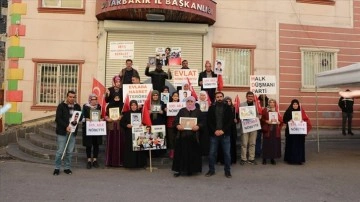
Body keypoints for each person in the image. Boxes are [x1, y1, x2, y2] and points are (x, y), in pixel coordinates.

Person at [172, 96, 202, 177]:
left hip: (193, 137)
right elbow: (175, 121)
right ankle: (179, 170)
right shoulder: (182, 111)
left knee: (192, 154)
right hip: (182, 136)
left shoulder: (198, 111)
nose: (189, 103)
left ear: (194, 102)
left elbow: (202, 122)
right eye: (188, 101)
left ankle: (191, 170)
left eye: (191, 101)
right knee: (180, 154)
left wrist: (198, 126)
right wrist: (177, 125)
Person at [205, 92, 233, 178]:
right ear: (215, 98)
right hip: (214, 135)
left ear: (223, 97)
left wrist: (223, 130)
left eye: (221, 97)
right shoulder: (211, 108)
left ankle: (227, 171)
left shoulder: (228, 108)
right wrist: (215, 131)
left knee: (227, 154)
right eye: (218, 97)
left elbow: (230, 121)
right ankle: (211, 170)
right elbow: (209, 121)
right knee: (212, 153)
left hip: (225, 134)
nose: (219, 98)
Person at [53, 90, 81, 176]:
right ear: (67, 97)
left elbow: (79, 116)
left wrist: (78, 120)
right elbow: (58, 119)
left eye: (73, 97)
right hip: (62, 132)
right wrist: (66, 126)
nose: (72, 98)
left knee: (69, 152)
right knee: (60, 151)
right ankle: (57, 168)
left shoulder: (77, 106)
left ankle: (67, 168)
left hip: (72, 132)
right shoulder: (61, 106)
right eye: (70, 97)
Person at [283, 99, 312, 165]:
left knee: (299, 145)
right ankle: (290, 159)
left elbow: (306, 119)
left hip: (299, 132)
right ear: (291, 105)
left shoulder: (301, 112)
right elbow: (284, 120)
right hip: (291, 132)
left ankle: (299, 159)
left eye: (296, 104)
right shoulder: (288, 111)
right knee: (291, 145)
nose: (295, 105)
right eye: (294, 104)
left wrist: (302, 121)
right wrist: (289, 120)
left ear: (298, 105)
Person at [120, 100, 147, 168]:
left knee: (139, 147)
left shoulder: (141, 113)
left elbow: (145, 122)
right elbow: (121, 123)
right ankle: (130, 164)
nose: (133, 106)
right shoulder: (126, 113)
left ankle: (140, 164)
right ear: (130, 106)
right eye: (132, 105)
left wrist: (142, 124)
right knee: (130, 149)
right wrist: (127, 125)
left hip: (139, 133)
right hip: (129, 134)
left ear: (137, 106)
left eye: (135, 105)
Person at [82, 94, 103, 169]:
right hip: (88, 128)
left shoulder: (99, 106)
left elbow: (102, 116)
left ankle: (95, 160)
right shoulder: (85, 106)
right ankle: (88, 160)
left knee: (96, 144)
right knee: (88, 144)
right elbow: (81, 117)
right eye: (93, 99)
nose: (94, 101)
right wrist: (86, 119)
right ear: (90, 100)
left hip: (96, 128)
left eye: (95, 99)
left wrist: (101, 119)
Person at [240, 91, 260, 165]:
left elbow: (259, 115)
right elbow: (239, 115)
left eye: (251, 96)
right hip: (245, 126)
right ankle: (243, 159)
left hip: (254, 126)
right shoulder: (242, 105)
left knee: (252, 143)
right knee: (244, 143)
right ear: (246, 97)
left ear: (253, 97)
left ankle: (251, 158)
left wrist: (258, 118)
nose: (250, 97)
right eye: (249, 96)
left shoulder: (257, 105)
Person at [260, 99, 282, 165]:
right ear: (268, 103)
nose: (272, 103)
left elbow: (281, 119)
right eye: (270, 102)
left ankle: (272, 158)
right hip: (268, 129)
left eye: (273, 102)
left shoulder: (277, 110)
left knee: (273, 144)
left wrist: (279, 122)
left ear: (275, 104)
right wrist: (266, 121)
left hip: (275, 129)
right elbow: (262, 119)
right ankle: (264, 158)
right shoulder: (265, 110)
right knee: (266, 144)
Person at [217, 96, 239, 164]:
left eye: (229, 101)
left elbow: (237, 118)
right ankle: (222, 160)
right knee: (223, 145)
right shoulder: (222, 108)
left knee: (232, 144)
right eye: (227, 101)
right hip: (225, 129)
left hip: (232, 129)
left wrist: (236, 120)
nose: (228, 102)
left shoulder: (234, 109)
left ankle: (232, 159)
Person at [105, 92, 124, 167]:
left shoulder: (122, 105)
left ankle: (119, 162)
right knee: (111, 143)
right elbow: (105, 114)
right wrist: (107, 118)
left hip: (119, 127)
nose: (117, 99)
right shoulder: (109, 105)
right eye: (115, 98)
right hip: (111, 126)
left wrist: (121, 116)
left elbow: (125, 114)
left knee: (120, 144)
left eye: (118, 98)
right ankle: (110, 162)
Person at [166, 92, 179, 159]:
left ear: (178, 97)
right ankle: (172, 151)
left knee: (177, 138)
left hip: (178, 124)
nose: (176, 97)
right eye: (174, 96)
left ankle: (177, 152)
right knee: (171, 139)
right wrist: (166, 110)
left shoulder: (181, 105)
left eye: (177, 96)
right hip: (170, 124)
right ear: (172, 97)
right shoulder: (168, 105)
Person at [197, 91, 211, 156]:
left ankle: (205, 152)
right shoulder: (196, 104)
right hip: (198, 123)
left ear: (206, 96)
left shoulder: (209, 103)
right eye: (201, 95)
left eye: (204, 95)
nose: (202, 97)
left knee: (205, 138)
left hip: (206, 123)